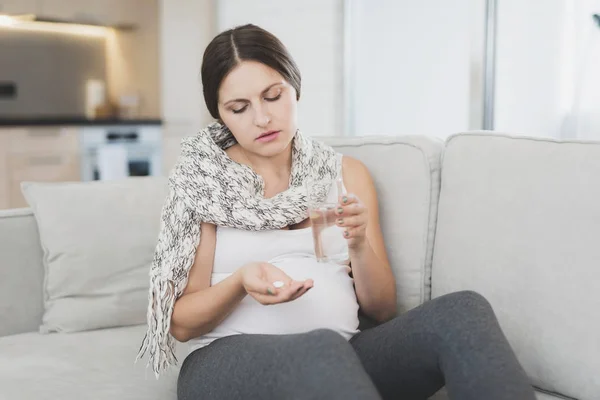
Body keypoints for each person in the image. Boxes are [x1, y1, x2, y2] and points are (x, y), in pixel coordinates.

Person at [138, 24, 536, 400]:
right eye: (239, 108)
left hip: (343, 355)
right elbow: (182, 323)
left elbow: (381, 309)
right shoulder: (203, 185)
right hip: (224, 363)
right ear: (220, 115)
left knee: (462, 312)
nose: (262, 118)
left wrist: (359, 245)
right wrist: (241, 281)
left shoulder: (345, 174)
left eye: (273, 96)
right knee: (319, 349)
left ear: (294, 88)